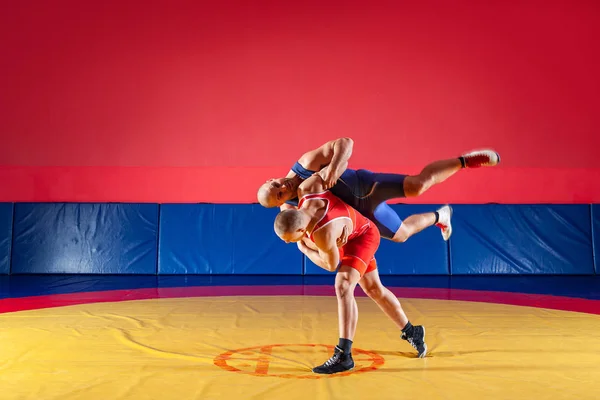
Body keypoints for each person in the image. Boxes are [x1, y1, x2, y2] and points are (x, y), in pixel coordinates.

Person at [274, 171, 427, 374]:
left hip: (363, 236)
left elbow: (330, 265)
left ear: (302, 231)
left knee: (343, 284)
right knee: (374, 289)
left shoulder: (323, 233)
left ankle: (344, 355)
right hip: (351, 232)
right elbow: (286, 206)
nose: (287, 242)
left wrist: (305, 249)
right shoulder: (306, 191)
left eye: (289, 238)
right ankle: (412, 332)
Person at [259, 137, 500, 243]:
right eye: (279, 193)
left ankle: (464, 161)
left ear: (272, 178)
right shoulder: (291, 211)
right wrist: (337, 239)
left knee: (417, 186)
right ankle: (441, 216)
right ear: (279, 203)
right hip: (361, 214)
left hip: (366, 187)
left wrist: (333, 168)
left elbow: (345, 142)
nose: (283, 187)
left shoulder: (305, 165)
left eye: (276, 183)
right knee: (402, 234)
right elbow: (306, 238)